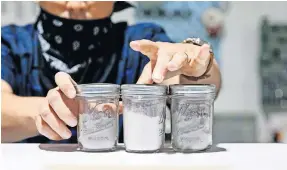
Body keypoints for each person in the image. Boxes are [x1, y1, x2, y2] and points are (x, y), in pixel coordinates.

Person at [1, 1, 221, 143]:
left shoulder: (140, 41)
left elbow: (200, 85)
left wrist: (198, 65)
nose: (76, 4)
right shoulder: (10, 42)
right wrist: (45, 110)